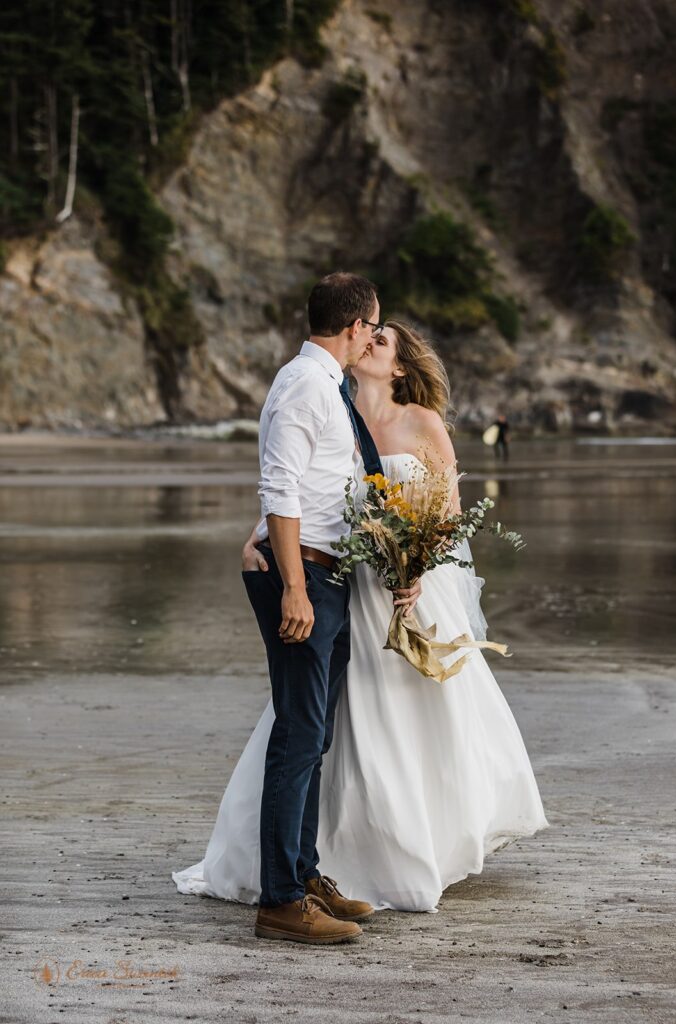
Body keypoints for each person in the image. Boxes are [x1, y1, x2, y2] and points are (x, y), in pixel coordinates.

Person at [172, 312, 548, 919]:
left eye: (382, 340)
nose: (370, 342)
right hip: (346, 582)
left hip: (405, 589)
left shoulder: (422, 422)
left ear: (399, 364)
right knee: (326, 719)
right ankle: (316, 862)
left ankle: (409, 846)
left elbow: (449, 514)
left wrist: (416, 568)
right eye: (369, 334)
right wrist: (259, 536)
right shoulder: (338, 413)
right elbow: (300, 487)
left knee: (405, 714)